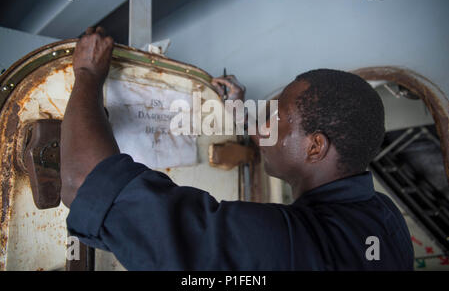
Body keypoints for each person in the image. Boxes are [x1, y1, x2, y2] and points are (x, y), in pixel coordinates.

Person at [62, 27, 414, 270]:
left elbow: (83, 182)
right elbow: (283, 142)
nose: (262, 126)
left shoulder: (288, 246)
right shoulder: (383, 217)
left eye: (275, 119)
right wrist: (239, 114)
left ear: (316, 147)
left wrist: (88, 75)